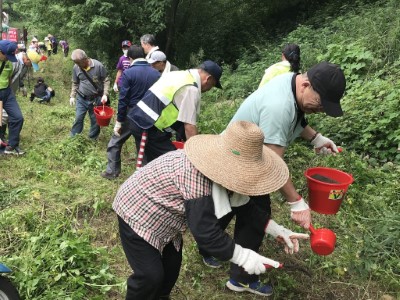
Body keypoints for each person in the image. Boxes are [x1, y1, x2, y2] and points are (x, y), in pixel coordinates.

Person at [113, 120, 309, 299]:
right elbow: (206, 234)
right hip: (137, 212)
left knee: (171, 269)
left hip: (167, 217)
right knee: (150, 276)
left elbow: (246, 208)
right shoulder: (195, 178)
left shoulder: (226, 176)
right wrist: (244, 257)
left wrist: (277, 230)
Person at [200, 61, 345, 296]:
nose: (319, 111)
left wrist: (315, 138)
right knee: (256, 215)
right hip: (241, 160)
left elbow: (298, 117)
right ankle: (241, 279)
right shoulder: (280, 106)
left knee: (230, 203)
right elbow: (270, 164)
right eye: (319, 105)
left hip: (235, 156)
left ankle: (208, 245)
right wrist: (296, 202)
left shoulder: (291, 82)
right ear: (306, 84)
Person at [128, 60, 222, 164]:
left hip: (138, 119)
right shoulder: (192, 88)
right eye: (212, 85)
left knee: (150, 165)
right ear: (208, 79)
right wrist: (196, 156)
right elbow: (189, 126)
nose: (209, 89)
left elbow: (175, 112)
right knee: (173, 163)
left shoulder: (179, 75)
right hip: (146, 126)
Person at [101, 45, 160, 180]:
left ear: (130, 58)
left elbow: (123, 99)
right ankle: (144, 177)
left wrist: (119, 121)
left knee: (115, 142)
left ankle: (112, 172)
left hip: (131, 114)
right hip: (149, 114)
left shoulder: (129, 73)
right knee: (144, 145)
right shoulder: (156, 73)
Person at [69, 49, 110, 139]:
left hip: (96, 99)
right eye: (76, 63)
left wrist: (105, 94)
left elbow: (105, 80)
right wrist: (72, 95)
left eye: (79, 63)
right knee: (78, 118)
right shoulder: (76, 67)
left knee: (95, 120)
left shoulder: (98, 66)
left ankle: (93, 139)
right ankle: (73, 138)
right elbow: (75, 82)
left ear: (85, 59)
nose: (78, 65)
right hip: (82, 98)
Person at [0, 40, 25, 155]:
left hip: (7, 93)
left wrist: (9, 93)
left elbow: (9, 78)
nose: (9, 58)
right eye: (7, 56)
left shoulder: (8, 62)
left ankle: (11, 146)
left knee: (18, 117)